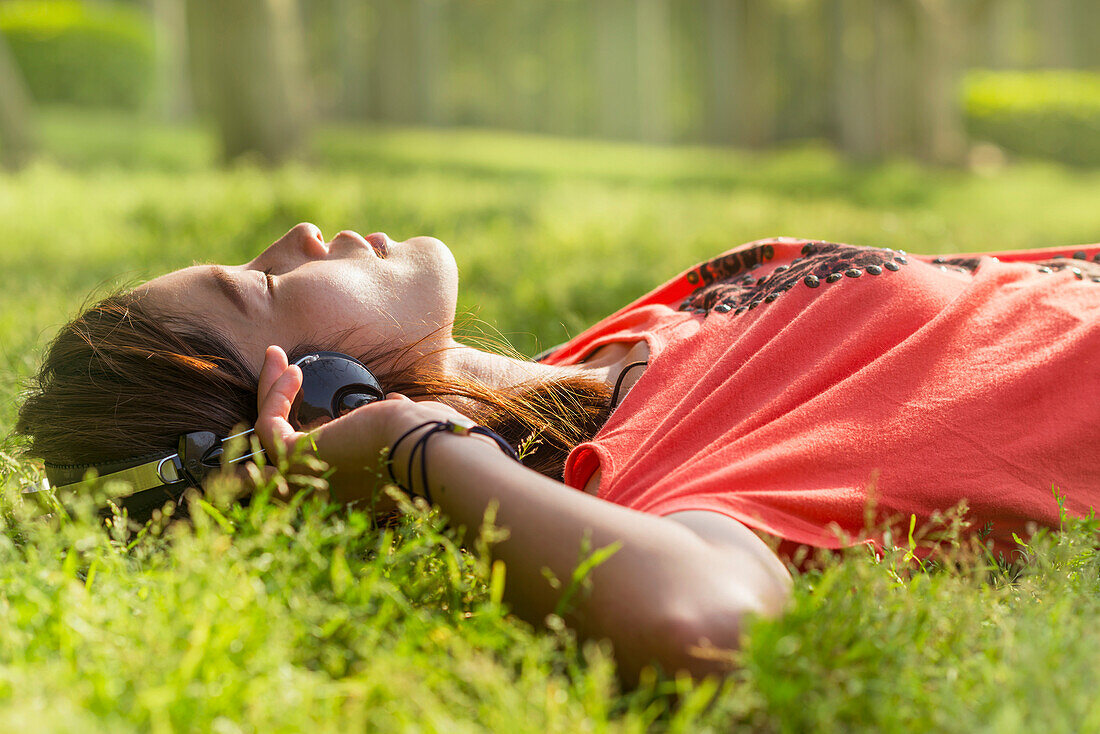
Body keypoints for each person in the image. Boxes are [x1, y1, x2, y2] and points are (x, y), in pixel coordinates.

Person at [15, 223, 1100, 681]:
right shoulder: (654, 466)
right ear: (312, 397)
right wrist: (403, 444)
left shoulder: (598, 368)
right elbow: (703, 620)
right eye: (256, 284)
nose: (298, 235)